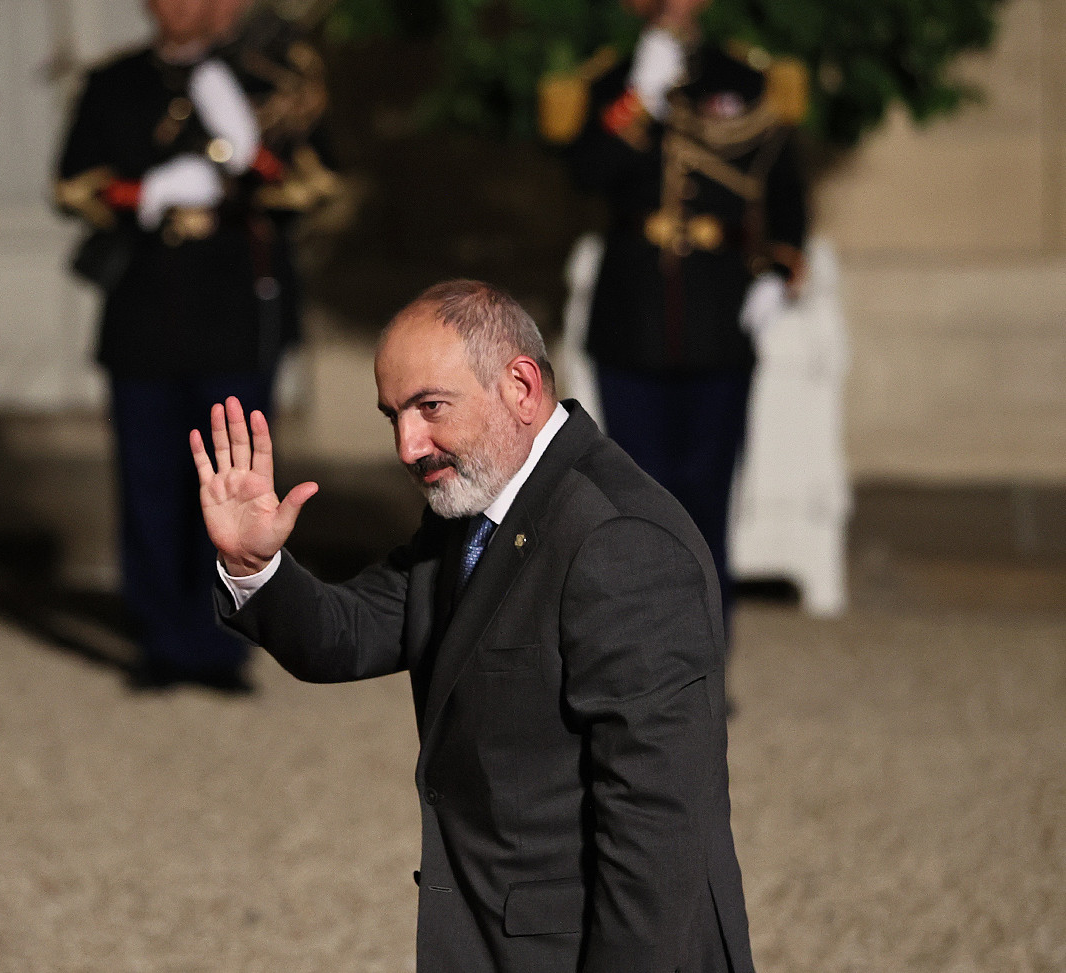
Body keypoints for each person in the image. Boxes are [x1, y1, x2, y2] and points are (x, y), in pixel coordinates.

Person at [194, 280, 754, 971]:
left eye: (430, 406)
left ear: (520, 385)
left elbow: (659, 827)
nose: (407, 443)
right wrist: (255, 564)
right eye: (392, 414)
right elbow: (350, 632)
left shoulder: (620, 539)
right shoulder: (477, 507)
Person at [55, 0, 335, 692]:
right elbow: (73, 184)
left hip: (237, 312)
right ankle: (158, 634)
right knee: (149, 484)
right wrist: (144, 191)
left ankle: (219, 643)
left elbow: (315, 181)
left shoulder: (272, 79)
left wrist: (249, 153)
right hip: (143, 311)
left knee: (234, 491)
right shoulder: (114, 82)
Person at [540, 0, 809, 632]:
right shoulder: (609, 83)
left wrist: (775, 277)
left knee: (707, 495)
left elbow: (786, 194)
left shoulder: (746, 80)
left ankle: (706, 663)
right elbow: (587, 175)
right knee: (634, 501)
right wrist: (639, 95)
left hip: (720, 318)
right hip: (632, 317)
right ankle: (641, 659)